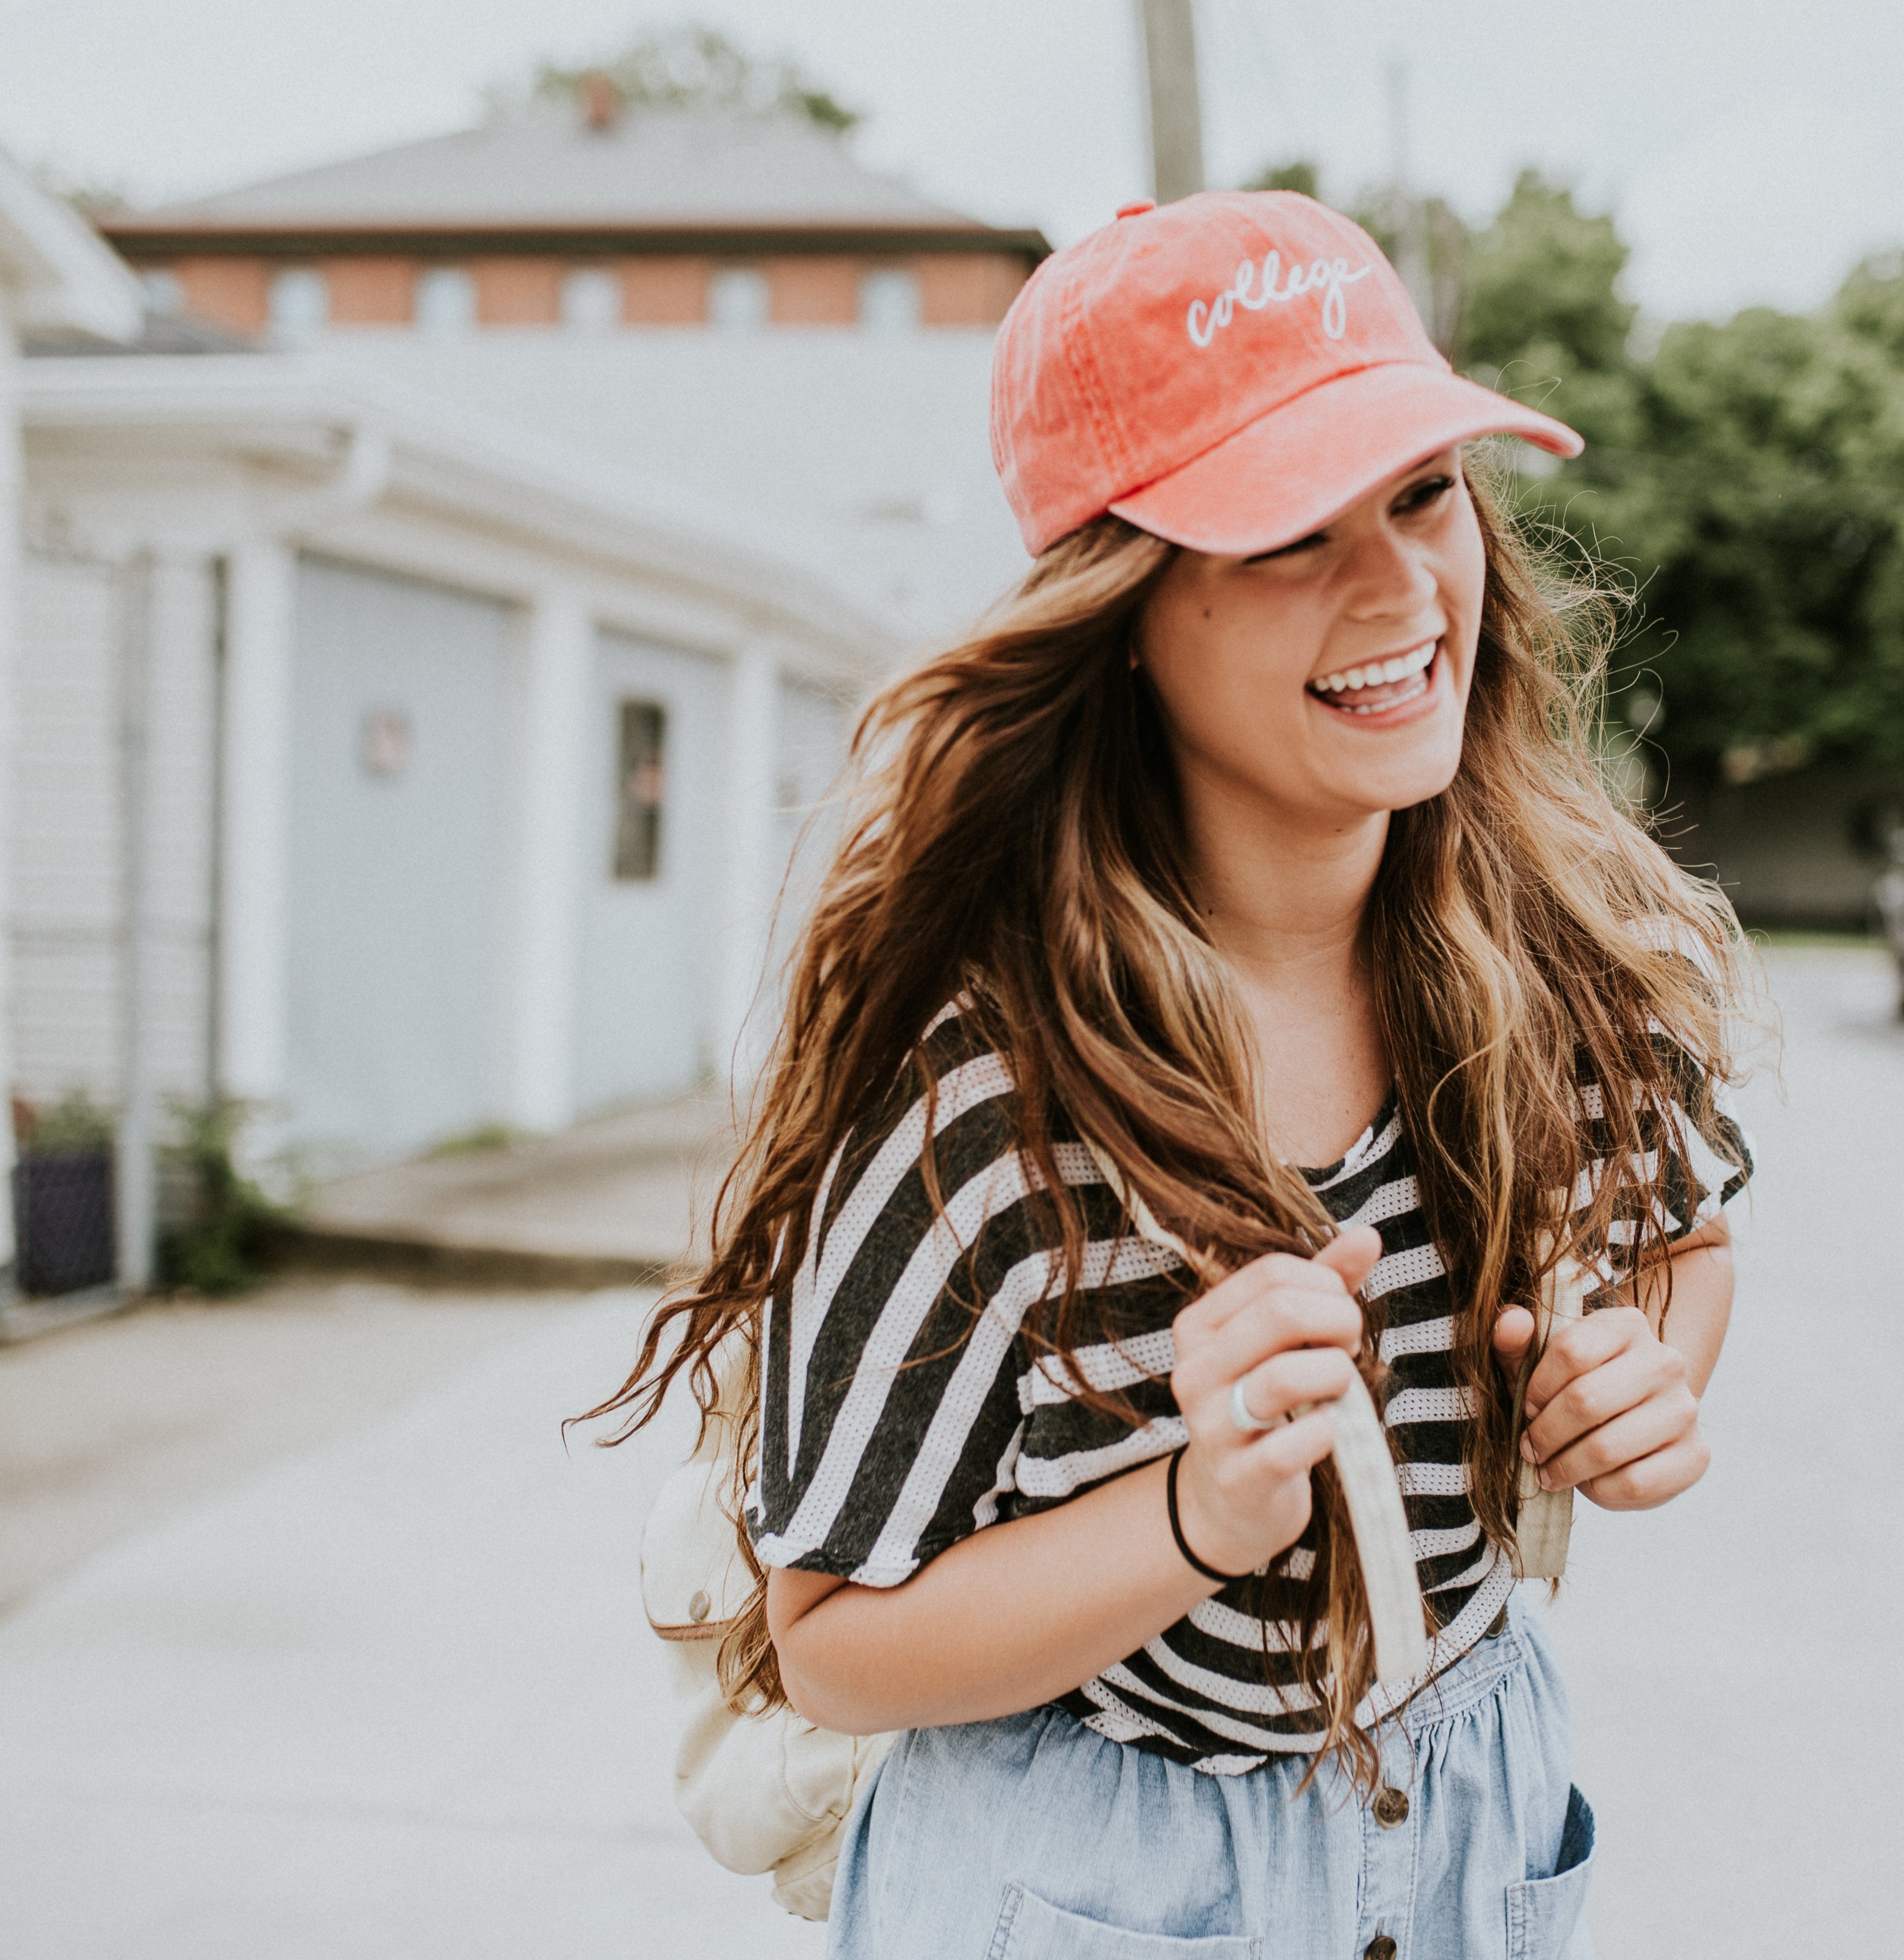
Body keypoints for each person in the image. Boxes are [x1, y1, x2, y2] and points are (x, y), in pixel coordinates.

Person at [591, 189, 1761, 1958]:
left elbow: (1680, 1237)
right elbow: (828, 1634)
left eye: (1424, 492)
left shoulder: (1553, 967)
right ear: (1125, 610)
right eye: (1291, 529)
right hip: (1099, 1872)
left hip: (1465, 1808)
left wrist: (1639, 1383)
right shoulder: (982, 1109)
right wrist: (1192, 1514)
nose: (1398, 589)